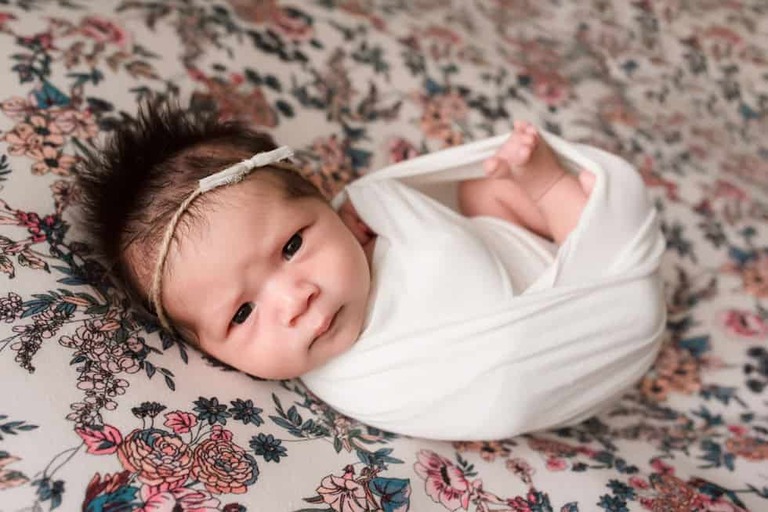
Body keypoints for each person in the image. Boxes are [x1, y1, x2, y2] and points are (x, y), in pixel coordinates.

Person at [78, 101, 664, 439]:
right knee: (552, 213)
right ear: (210, 353)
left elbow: (463, 245)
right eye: (242, 313)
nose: (296, 299)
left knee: (483, 192)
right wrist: (392, 208)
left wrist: (380, 209)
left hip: (536, 257)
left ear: (328, 206)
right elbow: (469, 286)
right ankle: (558, 191)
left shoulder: (372, 231)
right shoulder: (362, 376)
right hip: (580, 312)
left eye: (290, 247)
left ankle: (550, 191)